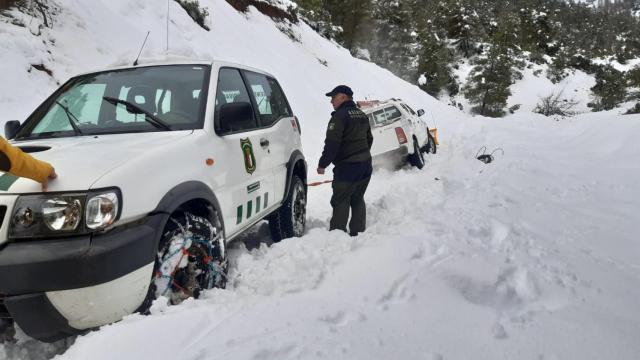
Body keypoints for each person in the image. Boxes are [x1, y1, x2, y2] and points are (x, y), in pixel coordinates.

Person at [317, 85, 373, 236]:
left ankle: (337, 235)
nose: (331, 102)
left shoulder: (339, 117)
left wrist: (322, 164)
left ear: (342, 97)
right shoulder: (362, 115)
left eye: (333, 98)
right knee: (357, 198)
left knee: (341, 200)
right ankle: (358, 232)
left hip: (348, 168)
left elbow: (332, 144)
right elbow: (369, 139)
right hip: (366, 166)